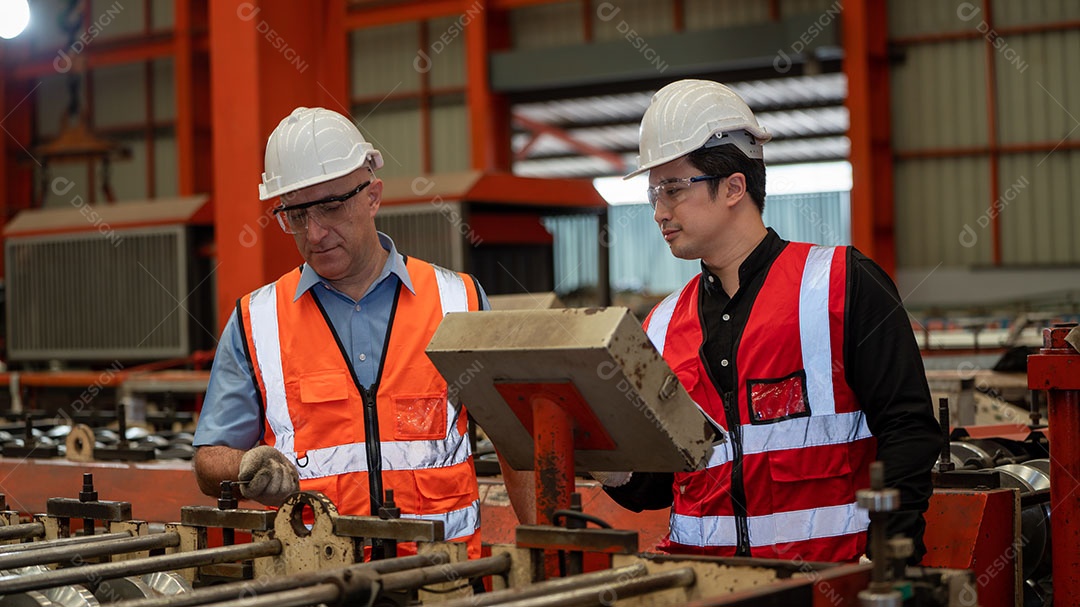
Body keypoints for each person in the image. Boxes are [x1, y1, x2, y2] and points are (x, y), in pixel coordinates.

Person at [596, 80, 942, 564]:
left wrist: (888, 553)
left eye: (673, 188)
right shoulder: (660, 325)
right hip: (702, 586)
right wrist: (598, 454)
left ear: (734, 186)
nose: (658, 211)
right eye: (654, 191)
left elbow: (908, 429)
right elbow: (660, 484)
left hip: (826, 582)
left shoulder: (841, 286)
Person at [193, 107, 493, 558]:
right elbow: (208, 459)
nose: (315, 233)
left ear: (373, 196)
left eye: (331, 207)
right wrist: (245, 465)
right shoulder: (258, 320)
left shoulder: (459, 301)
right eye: (295, 214)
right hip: (316, 577)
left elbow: (520, 441)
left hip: (443, 579)